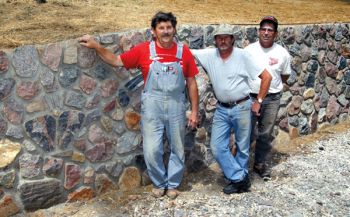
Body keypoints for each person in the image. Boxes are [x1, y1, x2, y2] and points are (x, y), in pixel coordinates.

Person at [79, 11, 199, 199]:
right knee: (152, 149)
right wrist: (96, 46)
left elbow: (191, 82)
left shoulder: (183, 51)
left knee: (178, 146)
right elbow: (116, 60)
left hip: (177, 105)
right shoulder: (144, 50)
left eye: (169, 27)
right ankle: (160, 183)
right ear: (153, 31)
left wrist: (194, 111)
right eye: (161, 28)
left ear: (174, 29)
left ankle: (173, 184)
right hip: (152, 106)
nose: (166, 31)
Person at [191, 24, 272, 194]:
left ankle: (238, 181)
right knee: (217, 146)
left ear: (232, 39)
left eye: (226, 37)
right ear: (215, 40)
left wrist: (258, 101)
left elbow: (267, 77)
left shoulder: (243, 56)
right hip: (221, 109)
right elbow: (186, 51)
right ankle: (239, 178)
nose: (222, 40)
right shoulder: (209, 55)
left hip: (242, 106)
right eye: (219, 37)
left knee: (242, 146)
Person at [245, 16, 291, 180]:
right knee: (246, 133)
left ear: (276, 34)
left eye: (270, 30)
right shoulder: (249, 50)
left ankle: (259, 164)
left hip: (272, 99)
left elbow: (284, 76)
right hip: (250, 97)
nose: (266, 32)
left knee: (265, 133)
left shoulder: (282, 53)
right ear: (258, 31)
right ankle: (241, 167)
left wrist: (270, 88)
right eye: (263, 29)